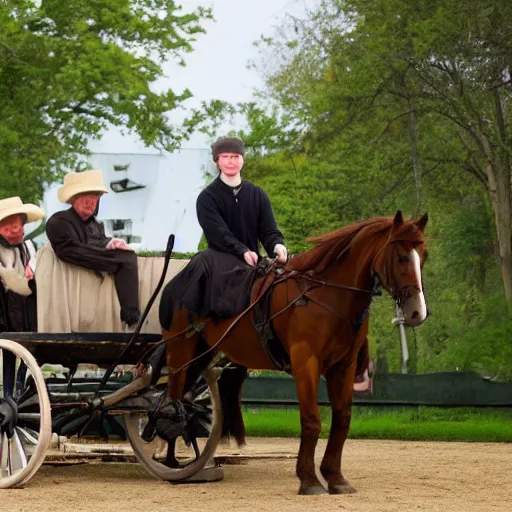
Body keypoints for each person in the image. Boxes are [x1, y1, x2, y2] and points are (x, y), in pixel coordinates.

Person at [160, 136, 288, 327]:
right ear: (217, 161)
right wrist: (242, 251)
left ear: (243, 160)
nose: (231, 161)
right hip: (219, 262)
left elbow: (269, 231)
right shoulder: (207, 198)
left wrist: (277, 246)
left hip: (252, 262)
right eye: (226, 156)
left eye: (236, 156)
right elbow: (219, 234)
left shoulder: (258, 195)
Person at [45, 169, 141, 328]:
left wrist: (110, 243)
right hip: (70, 274)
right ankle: (131, 316)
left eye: (95, 197)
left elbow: (97, 241)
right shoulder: (59, 220)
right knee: (126, 259)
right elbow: (69, 250)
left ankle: (130, 317)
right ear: (74, 199)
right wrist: (113, 254)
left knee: (127, 256)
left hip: (90, 284)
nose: (90, 201)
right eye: (85, 196)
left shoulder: (95, 224)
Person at [0, 196, 44, 332]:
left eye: (17, 226)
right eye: (8, 228)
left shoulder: (29, 247)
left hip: (27, 317)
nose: (14, 231)